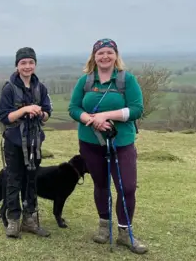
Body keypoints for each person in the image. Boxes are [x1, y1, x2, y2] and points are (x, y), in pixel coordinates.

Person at [68, 38, 148, 254]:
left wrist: (106, 115)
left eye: (109, 53)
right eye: (100, 52)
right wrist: (91, 119)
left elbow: (137, 109)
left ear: (116, 56)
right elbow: (73, 108)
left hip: (122, 142)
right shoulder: (85, 81)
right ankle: (104, 226)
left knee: (127, 187)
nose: (105, 56)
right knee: (101, 185)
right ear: (94, 56)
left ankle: (125, 232)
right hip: (91, 142)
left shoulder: (126, 80)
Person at [0, 47, 53, 239]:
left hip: (34, 142)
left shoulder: (41, 88)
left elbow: (47, 114)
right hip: (14, 143)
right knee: (14, 179)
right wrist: (24, 110)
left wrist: (40, 113)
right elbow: (5, 117)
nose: (27, 66)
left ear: (35, 64)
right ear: (17, 65)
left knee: (32, 179)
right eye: (23, 63)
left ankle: (30, 220)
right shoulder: (9, 88)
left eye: (31, 62)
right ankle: (13, 220)